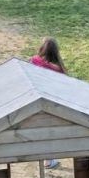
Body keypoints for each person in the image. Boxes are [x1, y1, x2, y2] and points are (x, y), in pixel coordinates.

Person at [30, 37, 66, 169]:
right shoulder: (58, 69)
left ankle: (43, 157)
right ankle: (48, 161)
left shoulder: (34, 60)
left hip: (34, 100)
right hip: (51, 104)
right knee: (50, 132)